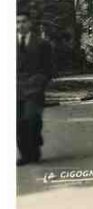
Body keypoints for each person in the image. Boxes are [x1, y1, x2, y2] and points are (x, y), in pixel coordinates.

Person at [17, 13, 55, 165]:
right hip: (14, 89)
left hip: (34, 88)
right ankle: (26, 154)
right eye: (17, 22)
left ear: (30, 23)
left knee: (32, 119)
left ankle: (35, 142)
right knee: (18, 123)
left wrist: (40, 83)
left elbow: (49, 68)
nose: (20, 25)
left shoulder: (42, 43)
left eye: (23, 21)